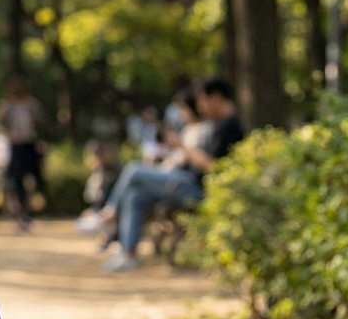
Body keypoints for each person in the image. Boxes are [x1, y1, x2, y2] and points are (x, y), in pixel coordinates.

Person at [78, 78, 244, 273]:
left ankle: (109, 215)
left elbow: (214, 166)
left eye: (202, 100)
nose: (200, 106)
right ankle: (128, 253)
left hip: (198, 188)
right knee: (135, 194)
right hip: (184, 181)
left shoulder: (231, 127)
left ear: (216, 97)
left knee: (134, 169)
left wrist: (181, 146)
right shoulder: (214, 124)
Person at [0, 77, 47, 230]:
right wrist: (9, 133)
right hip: (15, 146)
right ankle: (21, 213)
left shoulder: (32, 105)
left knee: (36, 178)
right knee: (15, 180)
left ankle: (31, 210)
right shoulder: (6, 106)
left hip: (31, 144)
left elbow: (43, 123)